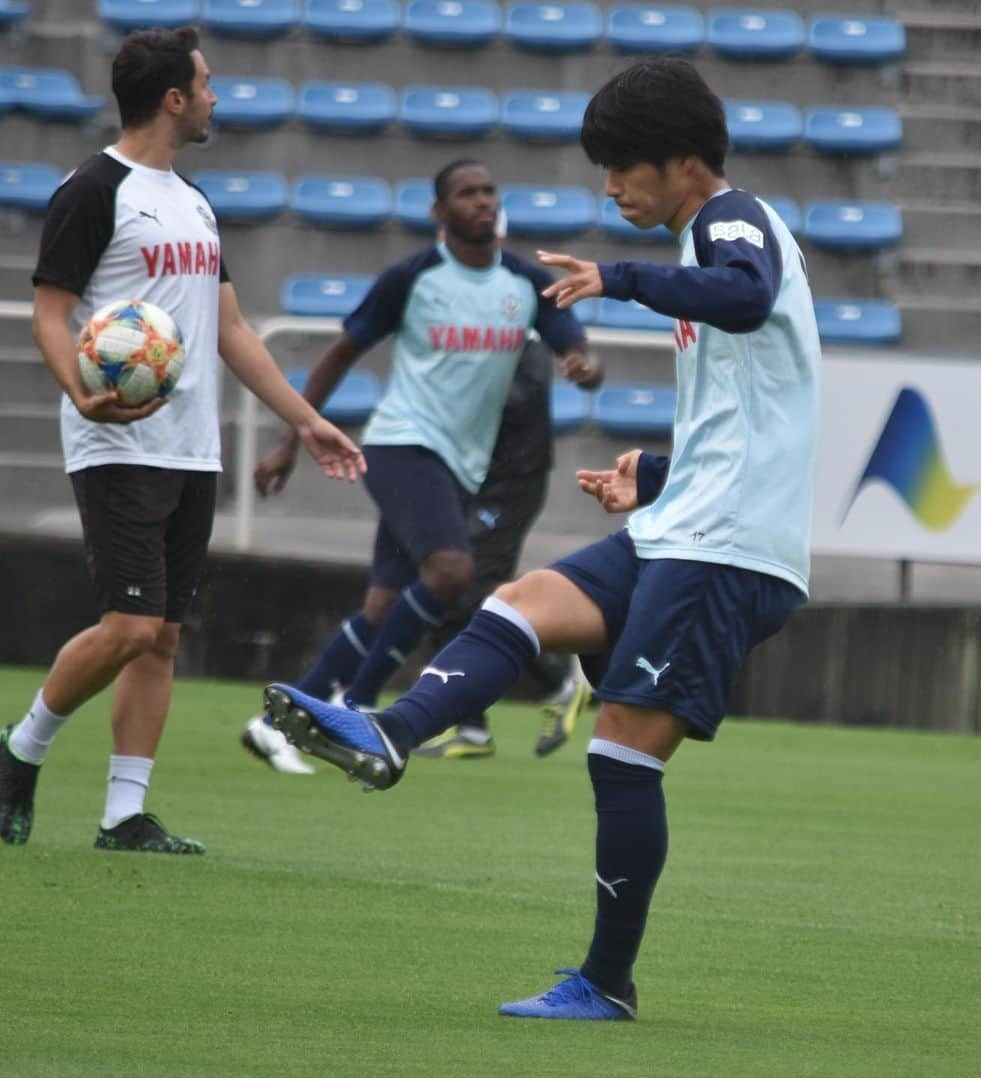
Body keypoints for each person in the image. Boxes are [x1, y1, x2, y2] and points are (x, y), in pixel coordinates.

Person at [264, 55, 819, 1019]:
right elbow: (753, 413)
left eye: (622, 167)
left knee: (620, 754)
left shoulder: (730, 224)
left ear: (683, 162)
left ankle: (606, 984)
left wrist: (619, 281)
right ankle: (389, 734)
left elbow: (748, 295)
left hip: (726, 548)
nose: (609, 186)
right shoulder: (711, 241)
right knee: (516, 603)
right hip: (687, 522)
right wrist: (649, 477)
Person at [0, 27, 363, 855]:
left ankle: (124, 816)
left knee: (161, 635)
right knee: (129, 626)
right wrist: (81, 395)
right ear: (173, 99)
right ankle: (19, 751)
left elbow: (231, 329)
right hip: (118, 440)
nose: (215, 96)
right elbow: (52, 313)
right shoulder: (93, 189)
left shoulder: (194, 201)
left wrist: (303, 420)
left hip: (192, 446)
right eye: (205, 84)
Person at [241, 160, 596, 774]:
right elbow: (341, 353)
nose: (483, 202)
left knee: (382, 604)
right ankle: (359, 707)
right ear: (440, 213)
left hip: (461, 464)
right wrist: (292, 436)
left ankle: (273, 725)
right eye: (468, 193)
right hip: (402, 445)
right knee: (452, 569)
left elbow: (575, 344)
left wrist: (584, 364)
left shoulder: (524, 283)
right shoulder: (414, 277)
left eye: (490, 191)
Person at [413, 335, 594, 761]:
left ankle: (555, 685)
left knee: (469, 589)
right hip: (476, 477)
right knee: (449, 585)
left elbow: (518, 397)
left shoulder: (520, 338)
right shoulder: (478, 329)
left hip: (511, 484)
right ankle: (472, 727)